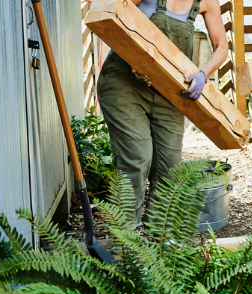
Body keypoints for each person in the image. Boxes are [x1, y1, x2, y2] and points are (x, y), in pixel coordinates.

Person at [96, 0, 228, 224]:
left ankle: (159, 243)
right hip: (124, 84)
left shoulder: (206, 2)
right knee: (136, 158)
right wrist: (134, 58)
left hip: (169, 91)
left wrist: (203, 74)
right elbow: (113, 14)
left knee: (169, 169)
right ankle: (126, 242)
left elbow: (222, 47)